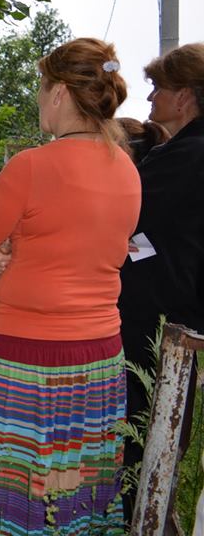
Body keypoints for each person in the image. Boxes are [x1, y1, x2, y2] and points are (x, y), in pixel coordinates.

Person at [0, 38, 140, 534]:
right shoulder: (128, 169)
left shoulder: (31, 165)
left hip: (26, 355)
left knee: (14, 477)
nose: (38, 98)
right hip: (100, 355)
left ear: (58, 93)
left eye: (40, 86)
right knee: (78, 478)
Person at [118, 43, 204, 517]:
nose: (151, 98)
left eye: (158, 88)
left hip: (162, 316)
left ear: (185, 96)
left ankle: (141, 515)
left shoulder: (185, 155)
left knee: (147, 425)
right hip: (180, 312)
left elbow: (125, 218)